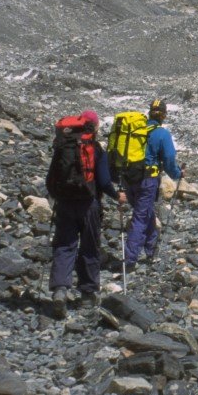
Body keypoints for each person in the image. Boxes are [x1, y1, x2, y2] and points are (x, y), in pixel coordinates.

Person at [47, 110, 126, 317]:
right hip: (89, 203)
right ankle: (87, 294)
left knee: (64, 245)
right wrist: (117, 196)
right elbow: (104, 181)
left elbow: (51, 178)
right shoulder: (95, 148)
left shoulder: (62, 145)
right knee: (90, 247)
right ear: (95, 127)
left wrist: (57, 196)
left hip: (64, 202)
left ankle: (60, 290)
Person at [124, 98, 183, 268]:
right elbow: (169, 159)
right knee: (140, 216)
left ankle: (151, 250)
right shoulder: (162, 134)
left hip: (128, 178)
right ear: (164, 115)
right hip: (147, 180)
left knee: (145, 211)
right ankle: (129, 259)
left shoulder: (135, 129)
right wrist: (178, 174)